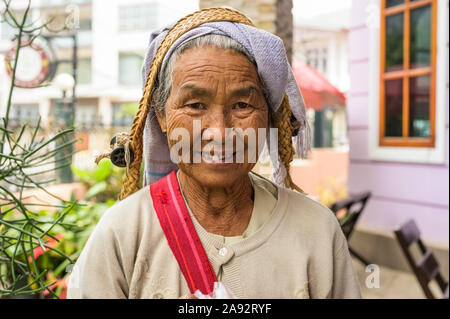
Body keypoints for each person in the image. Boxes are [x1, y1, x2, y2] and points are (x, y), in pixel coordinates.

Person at [67, 7, 361, 299]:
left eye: (242, 105)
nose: (220, 132)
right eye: (195, 105)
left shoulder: (317, 230)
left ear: (267, 116)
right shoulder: (122, 233)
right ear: (162, 117)